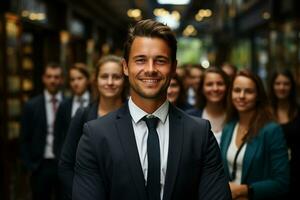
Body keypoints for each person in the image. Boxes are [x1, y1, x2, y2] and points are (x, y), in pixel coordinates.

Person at [72, 19, 231, 200]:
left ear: (173, 68)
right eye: (140, 60)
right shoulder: (95, 135)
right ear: (125, 67)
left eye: (160, 61)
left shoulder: (199, 134)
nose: (150, 69)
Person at [58, 55, 128, 200]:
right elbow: (65, 165)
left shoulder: (135, 115)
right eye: (104, 76)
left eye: (116, 77)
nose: (110, 82)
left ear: (125, 80)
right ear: (95, 80)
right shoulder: (82, 115)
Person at [220, 69, 290, 200]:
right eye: (237, 90)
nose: (241, 96)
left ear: (258, 96)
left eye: (249, 91)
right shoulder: (229, 127)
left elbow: (282, 182)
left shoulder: (271, 130)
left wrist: (244, 190)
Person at [20, 63, 64, 200]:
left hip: (63, 165)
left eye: (56, 77)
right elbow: (24, 139)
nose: (52, 80)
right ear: (43, 78)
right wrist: (30, 165)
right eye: (49, 76)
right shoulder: (31, 106)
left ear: (62, 79)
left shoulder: (69, 104)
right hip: (40, 165)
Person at [268, 68, 300, 198]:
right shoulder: (265, 113)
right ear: (272, 86)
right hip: (271, 172)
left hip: (296, 172)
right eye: (278, 83)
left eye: (286, 83)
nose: (282, 87)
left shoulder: (298, 111)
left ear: (292, 86)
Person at [54, 63, 91, 158]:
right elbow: (58, 134)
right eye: (72, 79)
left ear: (87, 80)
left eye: (80, 78)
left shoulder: (95, 102)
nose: (76, 83)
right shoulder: (64, 105)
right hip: (70, 159)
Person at [187, 67, 229, 145]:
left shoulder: (235, 117)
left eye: (220, 84)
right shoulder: (190, 117)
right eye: (209, 84)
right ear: (202, 89)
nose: (215, 88)